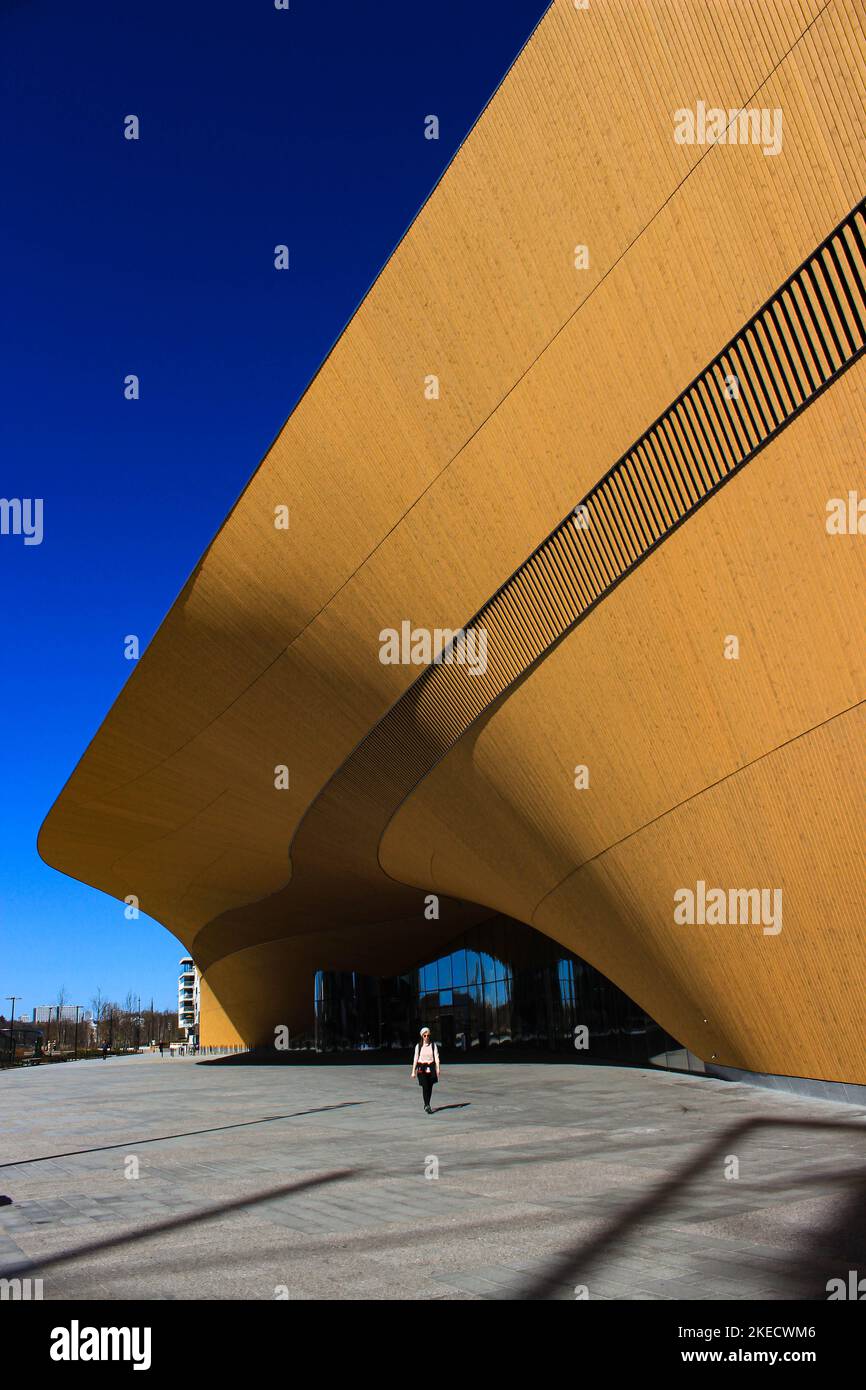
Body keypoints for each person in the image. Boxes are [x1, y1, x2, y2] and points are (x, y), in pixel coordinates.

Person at [410, 1027, 440, 1113]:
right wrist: (413, 1071)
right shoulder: (418, 1046)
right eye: (425, 1035)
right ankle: (427, 1105)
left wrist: (438, 1069)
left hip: (431, 1069)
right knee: (425, 1086)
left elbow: (437, 1057)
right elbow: (415, 1058)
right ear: (422, 1036)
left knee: (430, 1087)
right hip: (421, 1069)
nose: (426, 1037)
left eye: (428, 1035)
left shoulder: (433, 1046)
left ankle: (427, 1103)